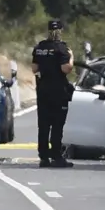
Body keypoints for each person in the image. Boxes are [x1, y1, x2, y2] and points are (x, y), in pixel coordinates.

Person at [31, 20, 75, 168]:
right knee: (57, 125)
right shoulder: (62, 48)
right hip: (58, 91)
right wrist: (72, 57)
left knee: (43, 125)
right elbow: (66, 69)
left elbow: (34, 69)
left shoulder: (40, 48)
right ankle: (56, 156)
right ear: (60, 30)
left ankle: (44, 157)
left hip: (43, 91)